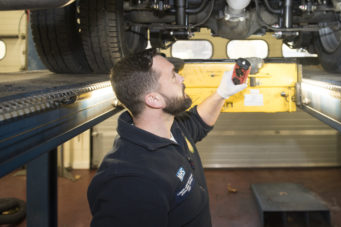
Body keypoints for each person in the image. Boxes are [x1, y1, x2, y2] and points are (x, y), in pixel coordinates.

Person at [87, 48, 247, 226]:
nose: (182, 79)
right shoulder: (130, 181)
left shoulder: (170, 129)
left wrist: (222, 94)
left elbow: (197, 122)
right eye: (173, 76)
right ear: (154, 100)